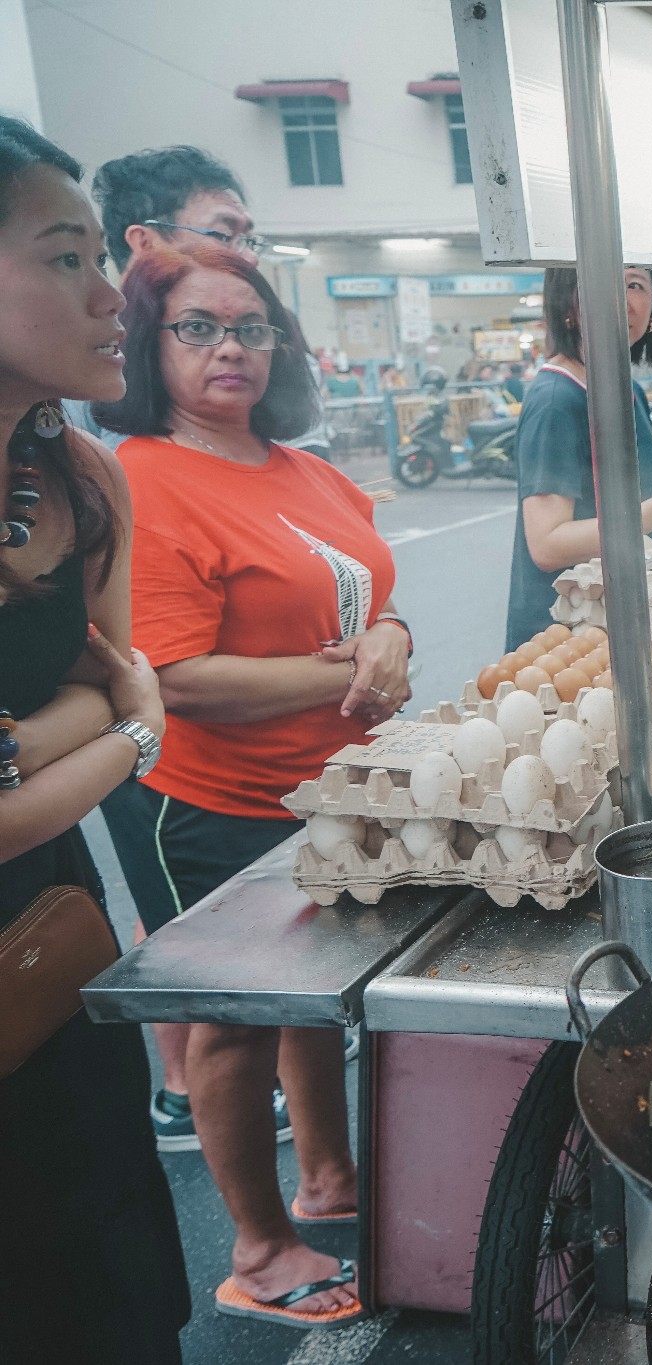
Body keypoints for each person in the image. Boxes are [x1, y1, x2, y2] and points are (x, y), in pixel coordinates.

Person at [94, 244, 406, 1330]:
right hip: (216, 799)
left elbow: (368, 593)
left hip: (325, 790)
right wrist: (348, 666)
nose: (231, 346)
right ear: (148, 341)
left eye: (253, 326)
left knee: (309, 991)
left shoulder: (300, 467)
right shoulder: (144, 475)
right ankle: (261, 1248)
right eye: (198, 326)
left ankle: (329, 1179)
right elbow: (177, 679)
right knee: (230, 1022)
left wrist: (392, 638)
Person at [0, 114, 190, 1365]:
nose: (112, 294)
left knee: (106, 1293)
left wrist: (87, 723)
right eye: (65, 257)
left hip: (50, 950)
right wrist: (124, 736)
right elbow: (130, 699)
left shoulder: (80, 478)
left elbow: (118, 672)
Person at [508, 265, 652, 647]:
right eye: (604, 280)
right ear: (569, 305)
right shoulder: (555, 401)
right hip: (568, 641)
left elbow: (627, 511)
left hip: (626, 623)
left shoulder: (626, 392)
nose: (620, 300)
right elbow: (547, 544)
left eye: (634, 285)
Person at [83, 145, 333, 460]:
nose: (249, 257)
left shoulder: (273, 352)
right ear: (145, 243)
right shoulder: (75, 376)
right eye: (223, 235)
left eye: (248, 239)